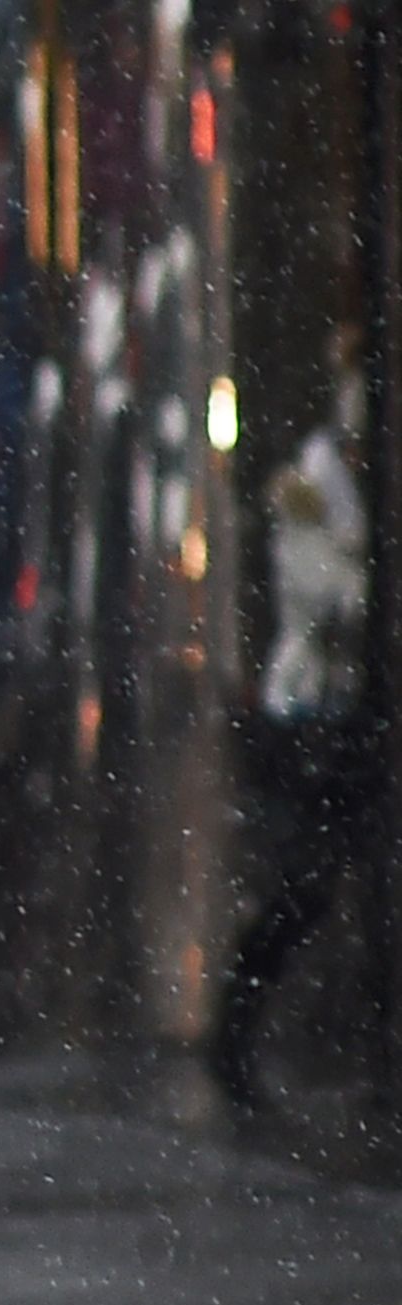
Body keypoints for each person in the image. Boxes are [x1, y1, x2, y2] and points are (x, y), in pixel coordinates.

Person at [214, 392, 371, 1109]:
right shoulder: (311, 500)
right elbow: (336, 604)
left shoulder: (339, 500)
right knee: (302, 888)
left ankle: (241, 1031)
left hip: (337, 718)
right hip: (312, 718)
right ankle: (234, 1032)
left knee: (315, 887)